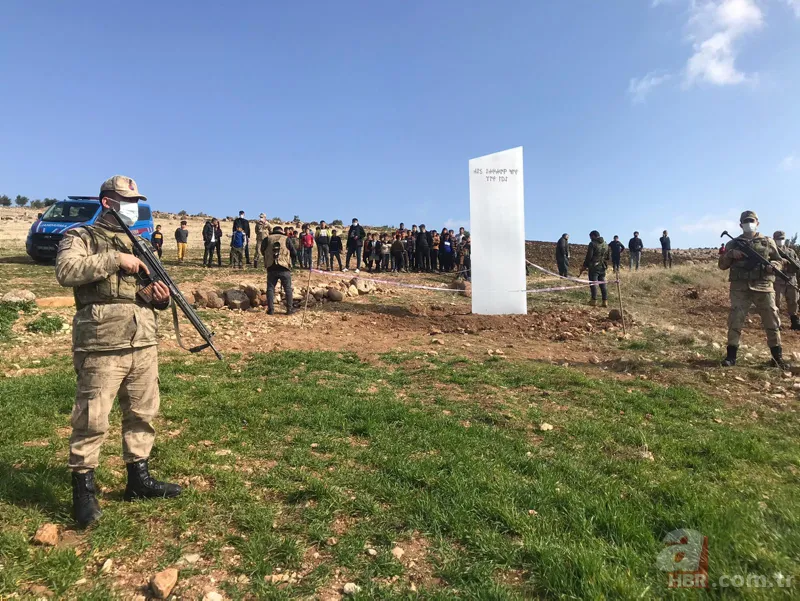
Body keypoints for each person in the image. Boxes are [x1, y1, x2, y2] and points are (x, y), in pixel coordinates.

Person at [55, 175, 181, 529]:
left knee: (143, 411)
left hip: (143, 339)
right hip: (102, 342)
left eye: (136, 201)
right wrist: (114, 259)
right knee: (92, 417)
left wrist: (159, 298)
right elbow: (66, 271)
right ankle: (83, 491)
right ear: (107, 202)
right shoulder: (82, 237)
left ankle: (138, 478)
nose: (133, 206)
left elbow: (153, 290)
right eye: (127, 200)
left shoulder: (142, 244)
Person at [718, 211, 787, 369]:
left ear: (757, 223)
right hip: (740, 288)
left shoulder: (767, 241)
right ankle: (731, 357)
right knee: (735, 320)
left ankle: (777, 358)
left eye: (752, 221)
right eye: (746, 221)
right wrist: (730, 254)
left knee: (772, 320)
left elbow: (779, 260)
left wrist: (774, 266)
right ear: (740, 225)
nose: (749, 224)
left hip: (764, 286)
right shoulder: (733, 243)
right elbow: (722, 265)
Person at [261, 225, 297, 315]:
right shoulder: (286, 239)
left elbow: (262, 250)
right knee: (287, 289)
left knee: (270, 288)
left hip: (271, 266)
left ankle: (271, 310)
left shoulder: (267, 239)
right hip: (284, 267)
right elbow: (294, 252)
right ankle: (289, 309)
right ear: (282, 231)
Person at [772, 231, 800, 331]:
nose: (781, 241)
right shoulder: (772, 251)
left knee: (793, 301)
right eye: (778, 239)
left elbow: (797, 264)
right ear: (774, 239)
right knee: (776, 302)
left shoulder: (791, 251)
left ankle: (794, 321)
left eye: (782, 238)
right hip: (778, 280)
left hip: (791, 280)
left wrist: (792, 264)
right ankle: (775, 322)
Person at [582, 230, 610, 307]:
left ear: (593, 236)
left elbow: (589, 256)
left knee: (593, 283)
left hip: (594, 267)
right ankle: (605, 301)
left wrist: (584, 265)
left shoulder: (592, 244)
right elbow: (608, 257)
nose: (590, 239)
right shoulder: (606, 244)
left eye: (590, 237)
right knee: (602, 284)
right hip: (602, 266)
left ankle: (593, 300)